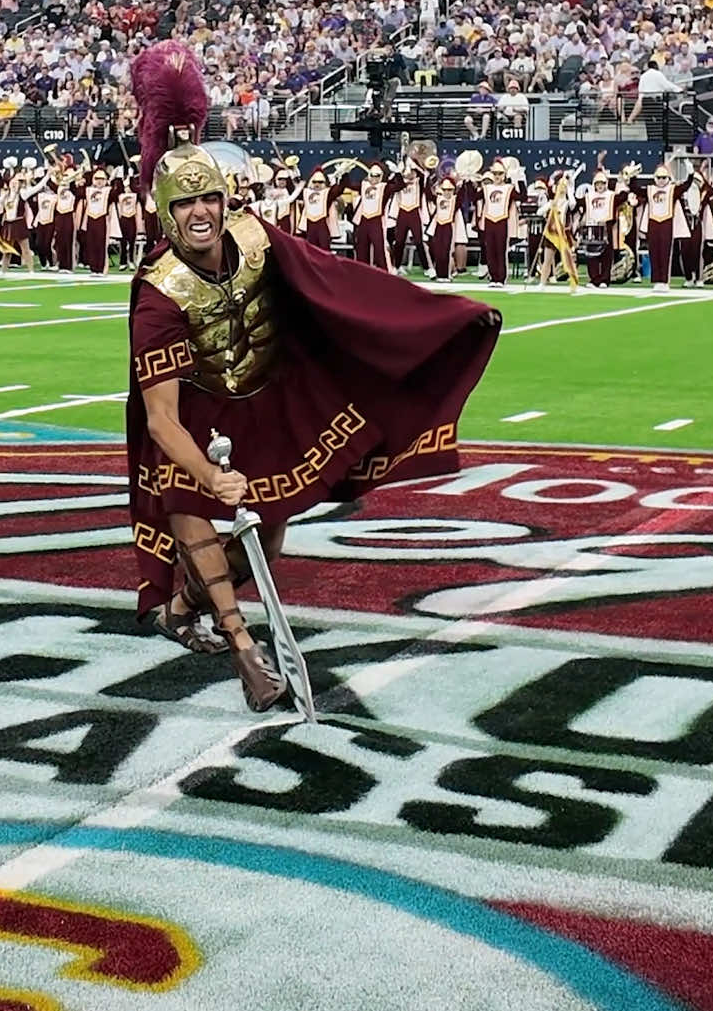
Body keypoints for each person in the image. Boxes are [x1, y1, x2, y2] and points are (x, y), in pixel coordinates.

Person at [125, 43, 501, 712]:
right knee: (191, 505)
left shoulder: (258, 238)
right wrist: (211, 476)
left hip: (262, 403)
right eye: (184, 205)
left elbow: (337, 288)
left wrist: (443, 316)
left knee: (261, 544)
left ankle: (184, 608)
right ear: (166, 215)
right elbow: (161, 419)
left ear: (225, 197)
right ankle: (246, 650)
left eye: (209, 196)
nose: (200, 212)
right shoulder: (160, 296)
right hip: (192, 415)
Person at [634, 162, 694, 293]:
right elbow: (635, 189)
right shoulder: (650, 190)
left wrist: (690, 173)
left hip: (667, 223)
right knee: (654, 253)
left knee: (666, 253)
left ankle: (665, 281)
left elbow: (686, 186)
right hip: (653, 223)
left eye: (664, 178)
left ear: (668, 178)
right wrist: (633, 176)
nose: (661, 180)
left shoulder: (673, 190)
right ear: (655, 178)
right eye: (659, 177)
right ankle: (657, 281)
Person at [476, 159, 519, 289]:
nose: (497, 177)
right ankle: (493, 277)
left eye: (500, 174)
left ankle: (500, 278)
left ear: (504, 175)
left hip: (501, 221)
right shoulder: (487, 188)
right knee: (490, 251)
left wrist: (519, 179)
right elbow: (474, 197)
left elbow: (522, 196)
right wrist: (468, 182)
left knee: (500, 251)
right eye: (495, 174)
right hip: (489, 221)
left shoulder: (508, 188)